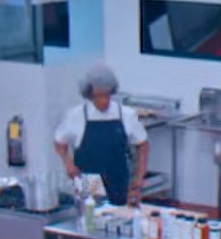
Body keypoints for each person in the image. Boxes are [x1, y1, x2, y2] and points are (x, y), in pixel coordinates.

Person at [54, 63, 150, 207]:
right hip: (88, 181)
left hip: (118, 179)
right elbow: (59, 141)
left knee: (118, 215)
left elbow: (143, 144)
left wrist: (139, 177)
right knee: (90, 213)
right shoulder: (76, 116)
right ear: (89, 95)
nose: (104, 101)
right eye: (98, 96)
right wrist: (68, 164)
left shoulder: (126, 115)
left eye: (106, 95)